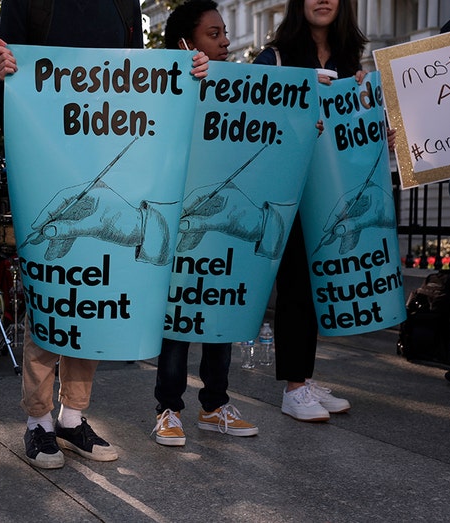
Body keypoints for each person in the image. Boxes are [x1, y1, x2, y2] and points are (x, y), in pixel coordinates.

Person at [0, 0, 209, 469]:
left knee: (95, 291)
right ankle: (38, 423)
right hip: (47, 166)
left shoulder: (123, 2)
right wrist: (2, 71)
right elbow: (5, 85)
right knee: (55, 293)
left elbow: (142, 80)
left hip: (109, 168)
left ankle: (72, 417)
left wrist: (187, 71)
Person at [150, 0, 258, 447]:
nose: (226, 42)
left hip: (220, 223)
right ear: (185, 44)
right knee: (178, 317)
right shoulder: (162, 87)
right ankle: (168, 410)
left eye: (225, 33)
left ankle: (214, 405)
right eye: (214, 34)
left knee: (219, 309)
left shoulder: (244, 89)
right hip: (182, 221)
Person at [252, 0, 365, 422]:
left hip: (330, 188)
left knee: (318, 286)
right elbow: (251, 117)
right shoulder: (275, 58)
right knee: (297, 282)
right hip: (289, 186)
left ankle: (305, 376)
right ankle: (294, 387)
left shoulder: (348, 59)